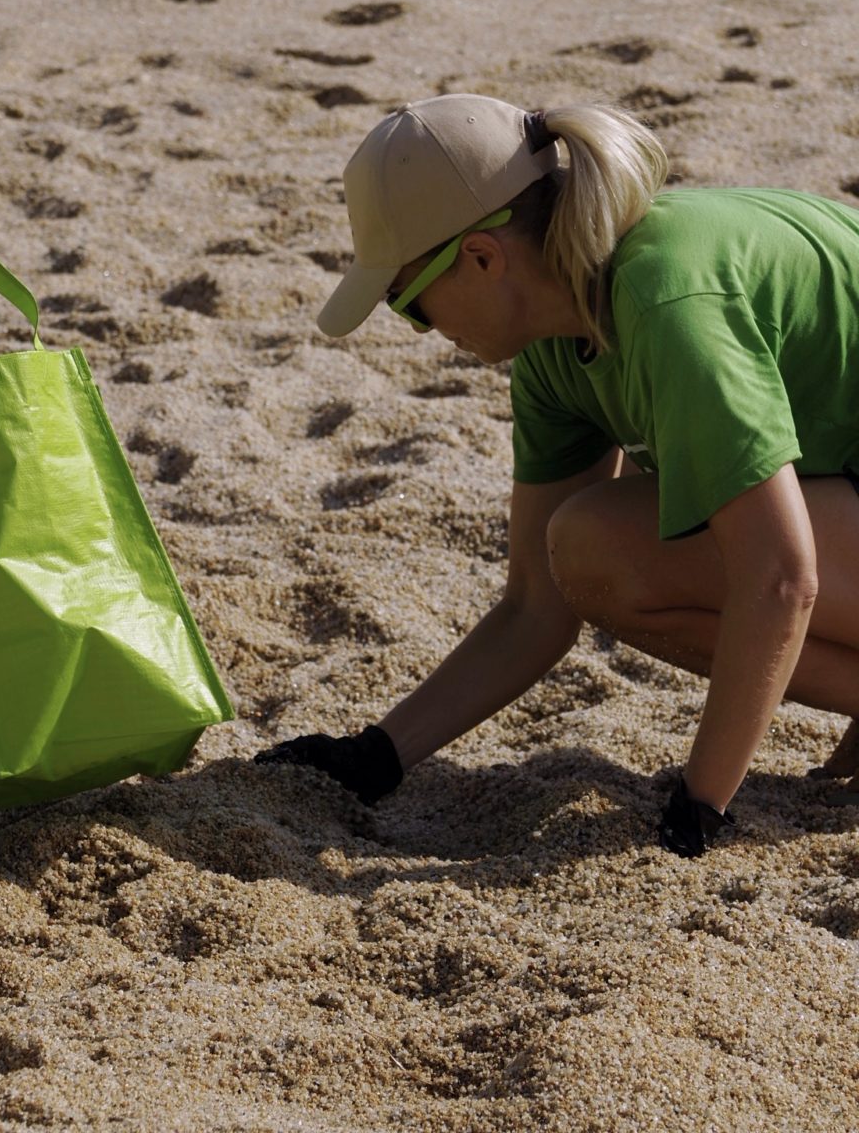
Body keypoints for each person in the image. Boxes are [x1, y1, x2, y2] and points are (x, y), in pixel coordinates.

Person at [256, 93, 859, 856]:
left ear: (480, 255)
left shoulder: (667, 299)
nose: (426, 333)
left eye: (409, 304)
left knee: (617, 546)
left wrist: (700, 805)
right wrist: (378, 754)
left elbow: (780, 579)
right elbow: (536, 606)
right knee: (588, 552)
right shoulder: (557, 333)